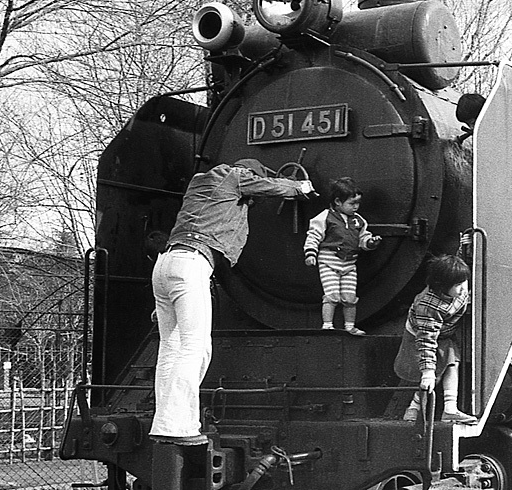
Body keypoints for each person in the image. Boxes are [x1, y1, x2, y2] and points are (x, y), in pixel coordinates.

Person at [151, 159, 314, 444]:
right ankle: (180, 426)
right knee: (195, 347)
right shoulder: (234, 176)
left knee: (170, 349)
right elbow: (269, 186)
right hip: (192, 263)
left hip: (165, 264)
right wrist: (299, 187)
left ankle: (164, 423)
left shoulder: (199, 182)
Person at [394, 254, 476, 424]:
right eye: (457, 285)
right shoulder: (427, 306)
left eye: (464, 282)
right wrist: (427, 372)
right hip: (420, 337)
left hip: (444, 333)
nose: (463, 289)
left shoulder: (457, 287)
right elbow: (426, 341)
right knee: (434, 372)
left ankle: (450, 409)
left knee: (452, 362)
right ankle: (413, 407)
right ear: (441, 286)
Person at [304, 177, 381, 336]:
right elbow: (314, 236)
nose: (356, 207)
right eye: (352, 203)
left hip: (349, 264)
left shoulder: (359, 221)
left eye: (358, 203)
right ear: (338, 201)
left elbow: (362, 238)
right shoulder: (325, 217)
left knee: (349, 297)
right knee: (332, 296)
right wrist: (311, 253)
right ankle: (327, 326)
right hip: (329, 262)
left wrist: (370, 242)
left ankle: (350, 326)